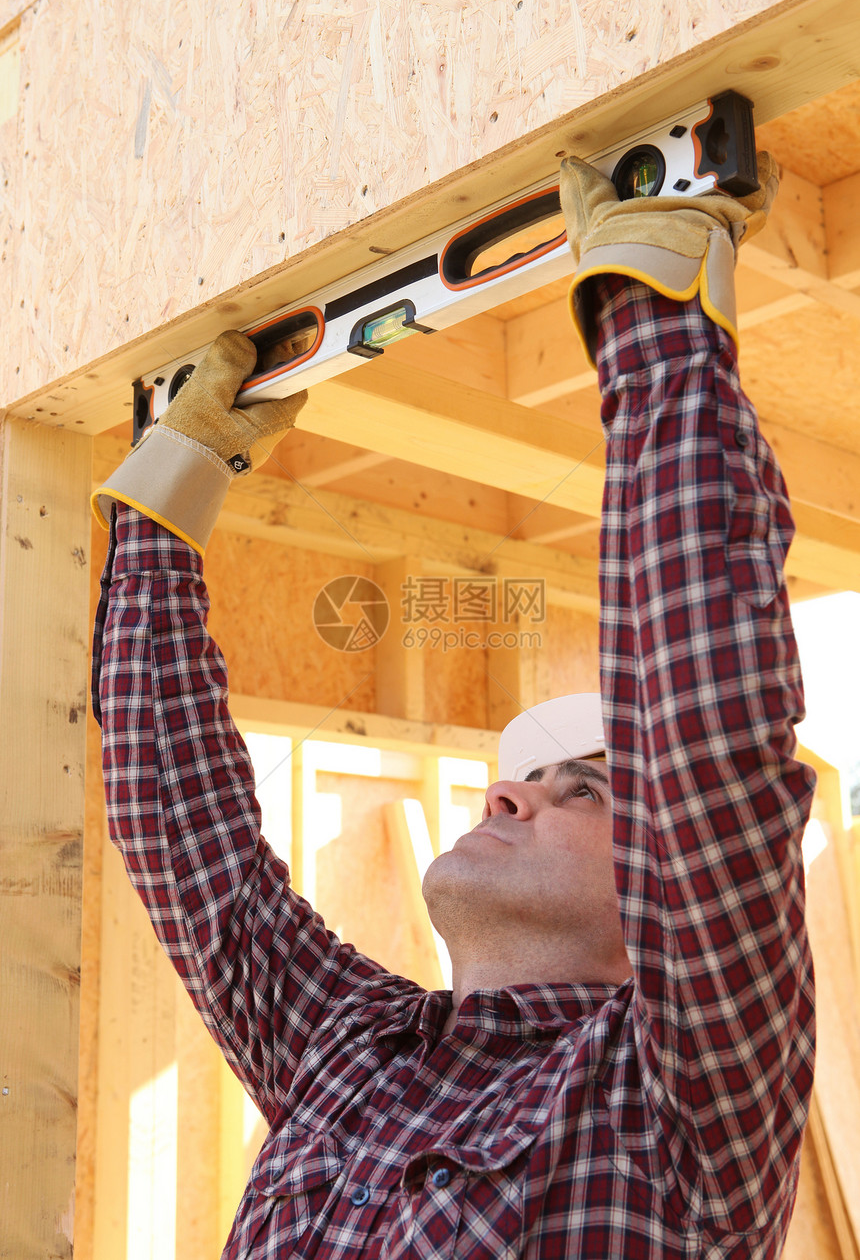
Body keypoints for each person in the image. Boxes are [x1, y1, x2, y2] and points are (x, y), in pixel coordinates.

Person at [92, 152, 815, 1258]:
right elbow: (189, 845)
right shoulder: (345, 1047)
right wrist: (169, 487)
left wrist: (653, 317)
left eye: (583, 790)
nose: (511, 793)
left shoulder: (676, 1095)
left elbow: (707, 753)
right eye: (527, 775)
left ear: (668, 902)